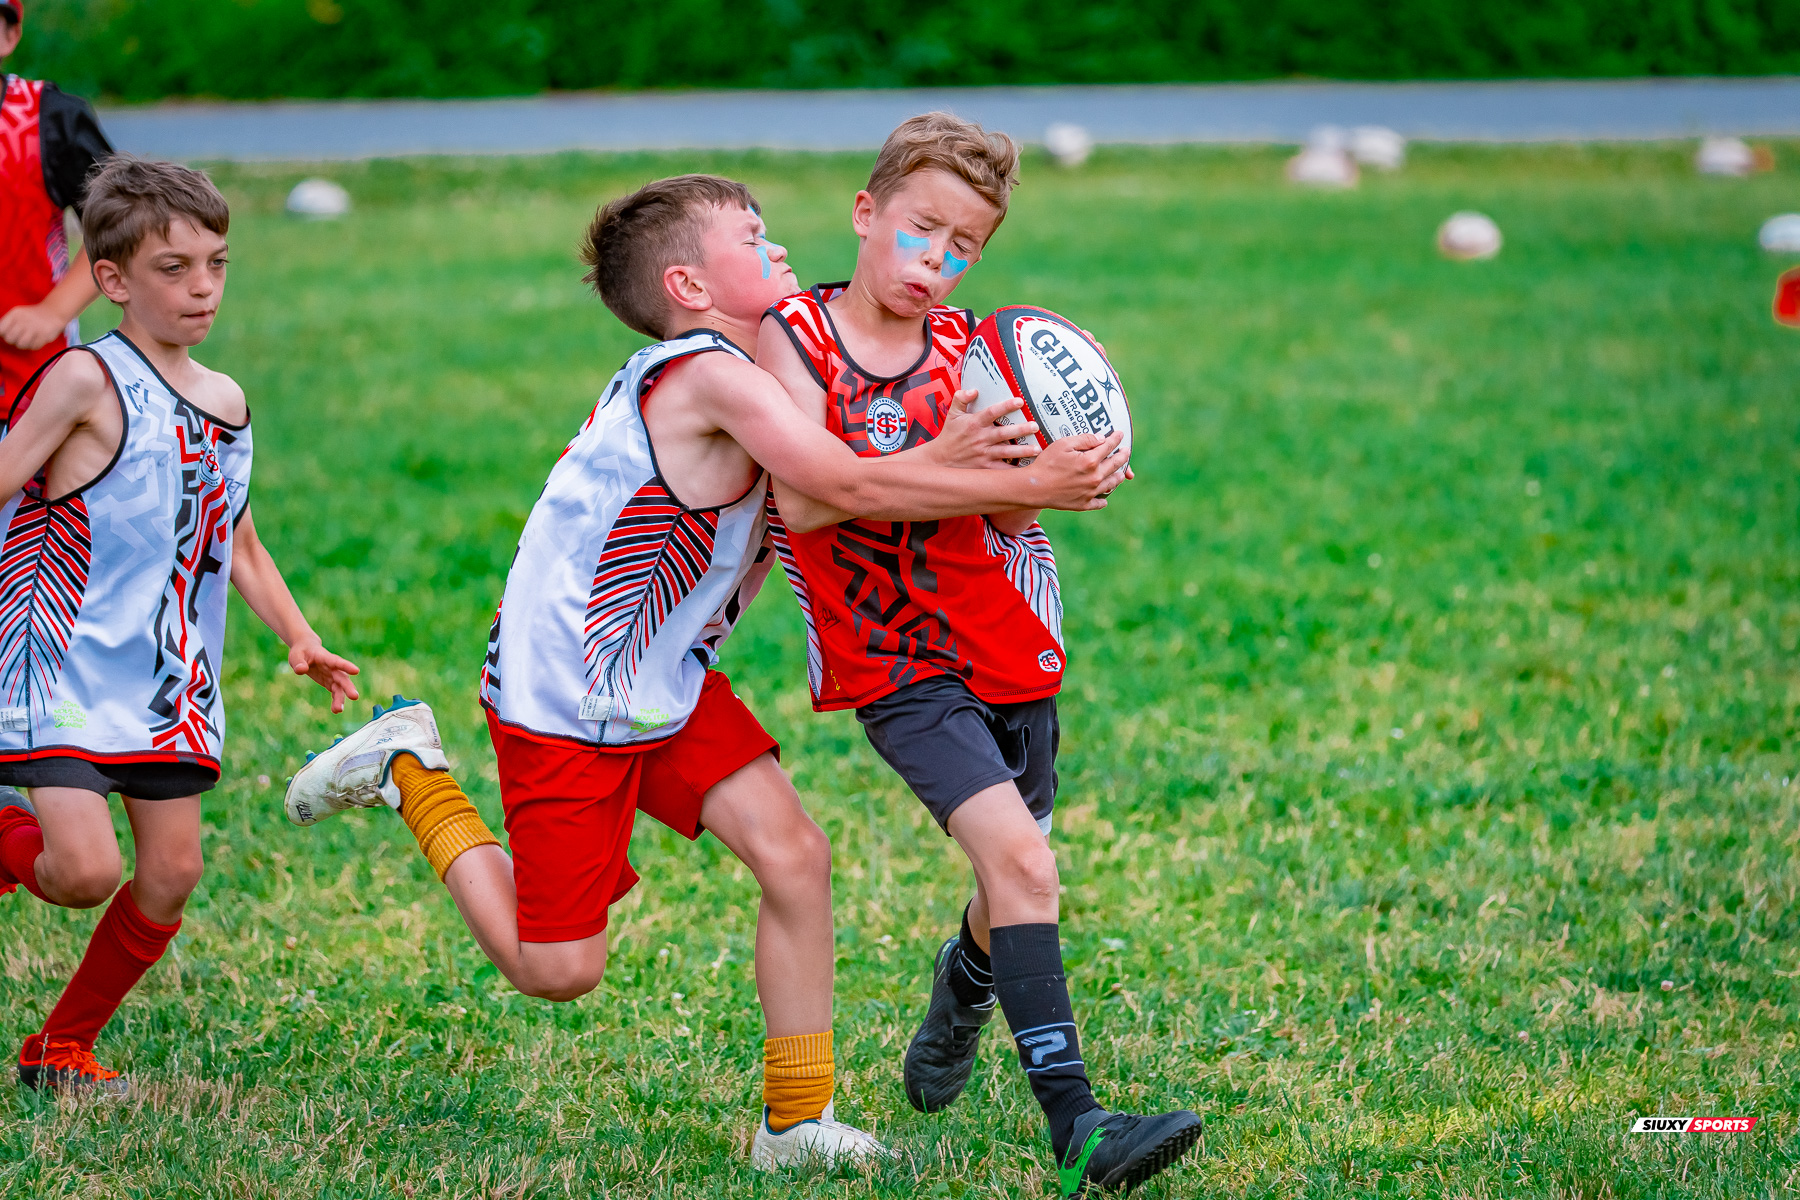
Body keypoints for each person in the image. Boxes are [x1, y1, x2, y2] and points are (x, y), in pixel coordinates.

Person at [282, 173, 1125, 1167]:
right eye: (751, 236)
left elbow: (858, 447)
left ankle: (794, 1122)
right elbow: (838, 486)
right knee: (556, 968)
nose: (777, 246)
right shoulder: (709, 376)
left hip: (666, 681)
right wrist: (1017, 478)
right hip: (567, 696)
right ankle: (406, 771)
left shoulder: (763, 361)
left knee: (796, 858)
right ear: (688, 285)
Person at [757, 112, 1202, 1196]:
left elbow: (1017, 483)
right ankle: (1080, 1126)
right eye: (920, 232)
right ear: (865, 215)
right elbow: (810, 495)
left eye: (963, 248)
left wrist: (1073, 463)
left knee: (1013, 879)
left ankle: (964, 985)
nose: (935, 264)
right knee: (1028, 864)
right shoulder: (797, 337)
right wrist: (980, 467)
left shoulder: (973, 348)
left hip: (1009, 643)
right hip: (900, 667)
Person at [0, 156, 361, 1096]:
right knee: (81, 871)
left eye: (217, 263)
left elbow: (233, 533)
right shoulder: (83, 379)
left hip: (168, 682)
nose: (202, 286)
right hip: (63, 669)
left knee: (170, 874)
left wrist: (298, 633)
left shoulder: (227, 401)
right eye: (174, 269)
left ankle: (58, 1050)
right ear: (112, 280)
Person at [0, 0, 113, 407]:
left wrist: (52, 311)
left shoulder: (50, 120)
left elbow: (120, 227)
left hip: (31, 387)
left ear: (9, 35)